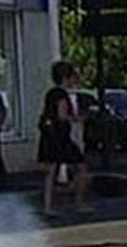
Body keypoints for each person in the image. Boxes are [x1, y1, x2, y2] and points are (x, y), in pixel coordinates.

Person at [38, 61, 90, 216]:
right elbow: (61, 116)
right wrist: (76, 118)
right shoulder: (61, 94)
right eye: (73, 76)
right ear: (66, 77)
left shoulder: (50, 93)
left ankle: (47, 207)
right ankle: (78, 202)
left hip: (49, 137)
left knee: (50, 173)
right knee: (81, 167)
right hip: (60, 137)